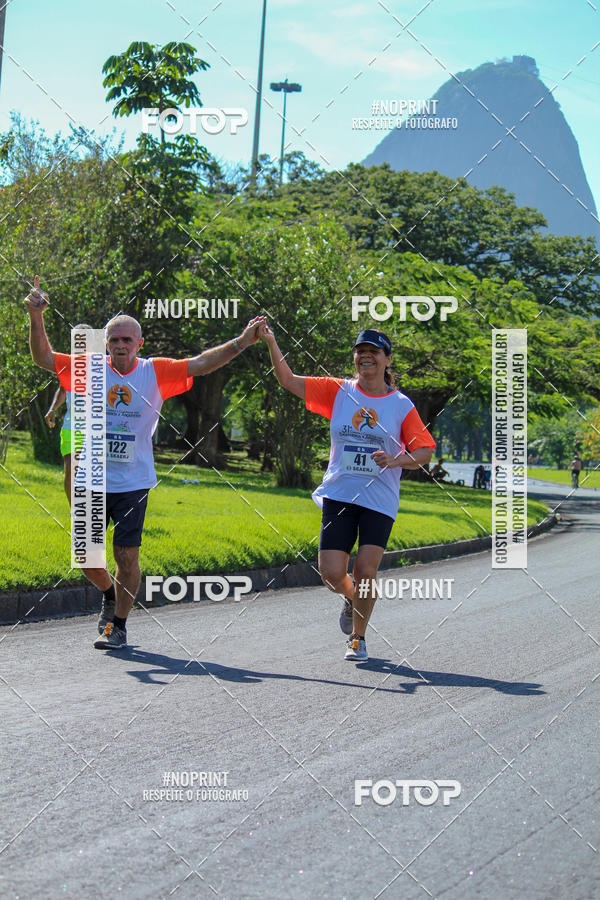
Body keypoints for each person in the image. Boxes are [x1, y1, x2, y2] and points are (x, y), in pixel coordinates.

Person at [25, 275, 266, 650]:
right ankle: (109, 593)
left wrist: (240, 342)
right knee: (87, 557)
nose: (120, 346)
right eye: (114, 340)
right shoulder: (88, 369)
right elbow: (43, 358)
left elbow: (200, 364)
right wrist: (35, 315)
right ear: (106, 344)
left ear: (140, 343)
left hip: (133, 481)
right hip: (92, 476)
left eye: (127, 340)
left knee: (126, 554)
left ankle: (117, 624)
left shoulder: (156, 371)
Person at [259, 323, 435, 661]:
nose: (365, 356)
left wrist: (397, 460)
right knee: (331, 574)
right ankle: (352, 598)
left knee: (366, 568)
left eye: (373, 351)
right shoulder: (338, 391)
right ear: (354, 358)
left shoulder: (401, 405)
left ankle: (358, 638)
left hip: (378, 500)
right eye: (360, 351)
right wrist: (271, 341)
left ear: (387, 360)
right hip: (340, 494)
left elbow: (424, 452)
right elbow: (288, 380)